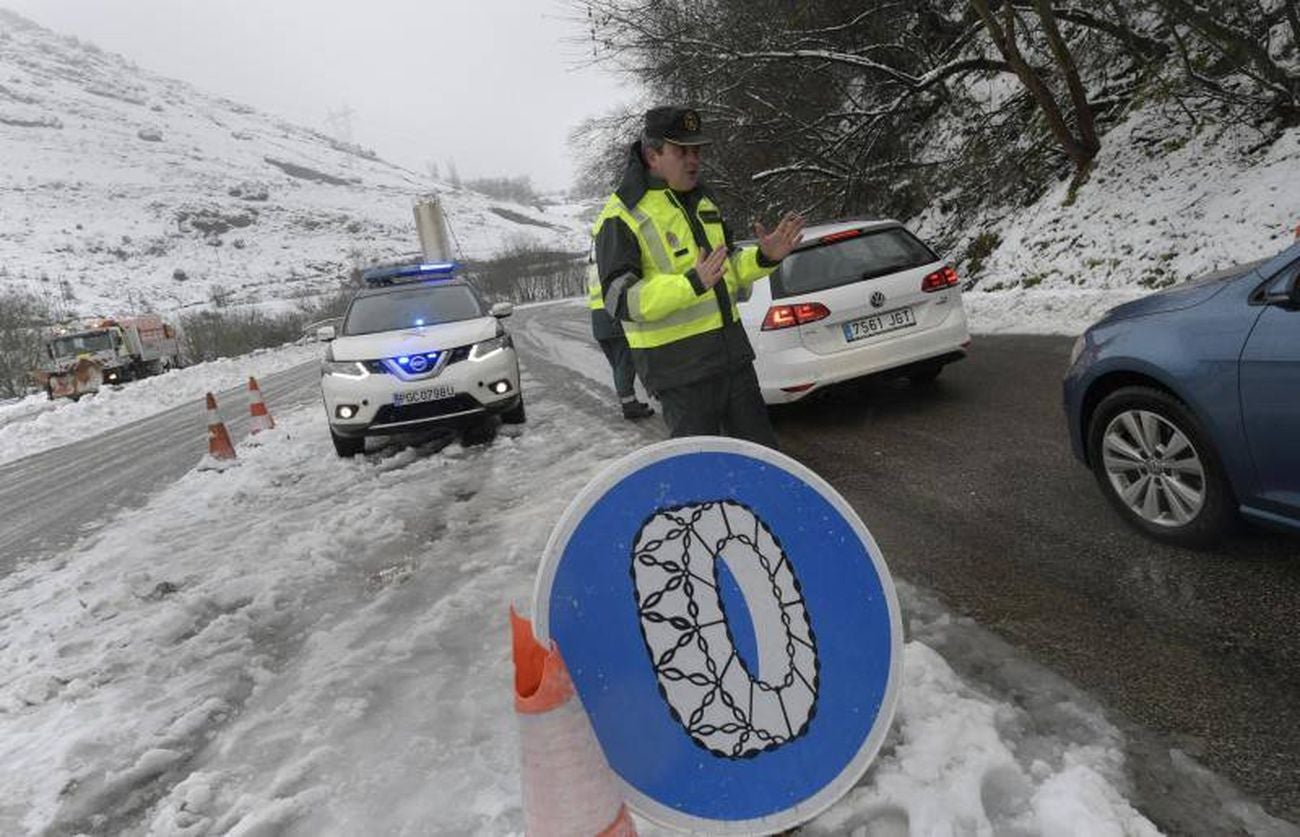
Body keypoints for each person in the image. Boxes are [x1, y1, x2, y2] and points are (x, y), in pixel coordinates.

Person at [592, 106, 804, 448]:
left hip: (732, 360)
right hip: (679, 374)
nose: (693, 160)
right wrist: (688, 284)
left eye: (697, 151)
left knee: (762, 461)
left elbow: (726, 268)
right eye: (682, 151)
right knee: (705, 477)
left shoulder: (702, 200)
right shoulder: (622, 215)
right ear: (652, 155)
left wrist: (765, 257)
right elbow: (619, 298)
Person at [586, 260, 655, 420]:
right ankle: (629, 406)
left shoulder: (593, 269)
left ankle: (630, 402)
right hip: (612, 318)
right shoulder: (609, 264)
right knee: (624, 365)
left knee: (617, 365)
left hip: (598, 320)